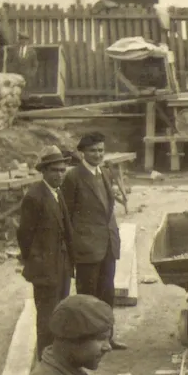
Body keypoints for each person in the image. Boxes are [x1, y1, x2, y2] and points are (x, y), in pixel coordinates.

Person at [60, 133, 127, 350]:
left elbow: (108, 209)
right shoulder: (73, 178)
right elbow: (66, 214)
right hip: (87, 247)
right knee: (88, 296)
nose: (97, 154)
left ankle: (107, 338)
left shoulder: (105, 173)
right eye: (92, 151)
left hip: (107, 244)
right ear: (82, 153)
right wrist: (74, 245)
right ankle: (87, 343)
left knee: (107, 293)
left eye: (100, 150)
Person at [17, 146, 75, 359]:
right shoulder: (34, 197)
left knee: (60, 311)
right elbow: (24, 235)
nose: (59, 175)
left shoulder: (58, 194)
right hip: (45, 269)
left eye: (62, 170)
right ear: (44, 172)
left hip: (61, 265)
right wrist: (37, 261)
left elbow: (66, 229)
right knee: (46, 317)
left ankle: (57, 355)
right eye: (55, 171)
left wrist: (69, 261)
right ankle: (45, 359)